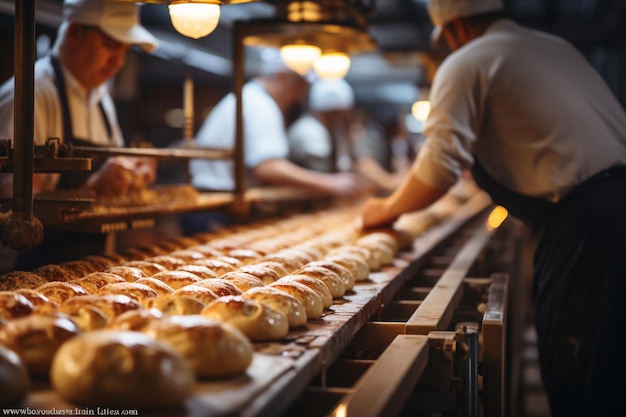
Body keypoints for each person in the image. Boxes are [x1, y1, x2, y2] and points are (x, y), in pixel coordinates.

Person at [359, 0, 626, 415]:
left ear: (454, 30)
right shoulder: (555, 47)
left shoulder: (468, 60)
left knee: (584, 374)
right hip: (612, 204)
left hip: (588, 225)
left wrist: (386, 210)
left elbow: (440, 164)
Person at [0, 0, 159, 269]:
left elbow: (116, 171)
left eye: (125, 50)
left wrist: (133, 175)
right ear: (74, 33)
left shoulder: (101, 100)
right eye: (111, 45)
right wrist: (93, 190)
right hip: (29, 275)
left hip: (87, 269)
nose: (119, 62)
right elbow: (9, 210)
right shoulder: (30, 95)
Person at [186, 61, 370, 233]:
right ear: (282, 76)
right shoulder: (260, 105)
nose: (300, 96)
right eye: (300, 86)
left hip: (213, 205)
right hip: (217, 209)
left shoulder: (250, 98)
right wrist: (331, 183)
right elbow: (267, 167)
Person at [288, 78, 405, 194]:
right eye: (343, 112)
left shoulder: (332, 130)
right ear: (333, 111)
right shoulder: (310, 131)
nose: (346, 117)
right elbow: (322, 173)